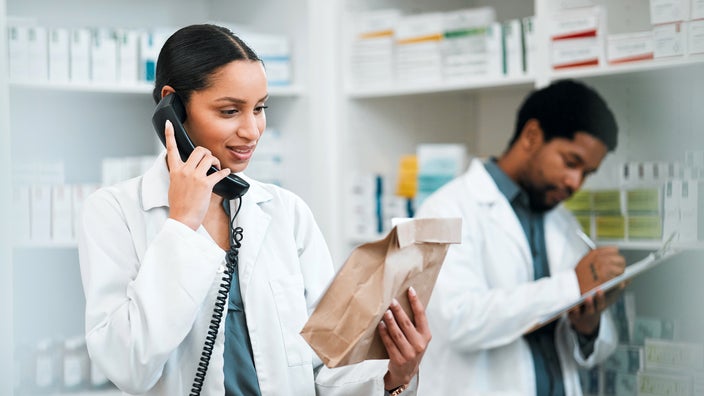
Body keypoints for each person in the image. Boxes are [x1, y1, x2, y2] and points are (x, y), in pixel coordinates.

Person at [77, 24, 430, 396]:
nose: (252, 131)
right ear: (173, 107)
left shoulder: (287, 213)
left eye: (260, 109)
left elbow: (328, 365)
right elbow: (128, 366)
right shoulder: (113, 212)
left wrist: (392, 376)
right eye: (230, 111)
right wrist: (181, 226)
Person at [415, 79, 626, 396]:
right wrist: (571, 286)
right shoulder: (444, 209)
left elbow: (594, 348)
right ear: (532, 136)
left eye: (587, 173)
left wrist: (588, 326)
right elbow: (458, 320)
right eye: (571, 163)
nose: (575, 182)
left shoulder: (563, 222)